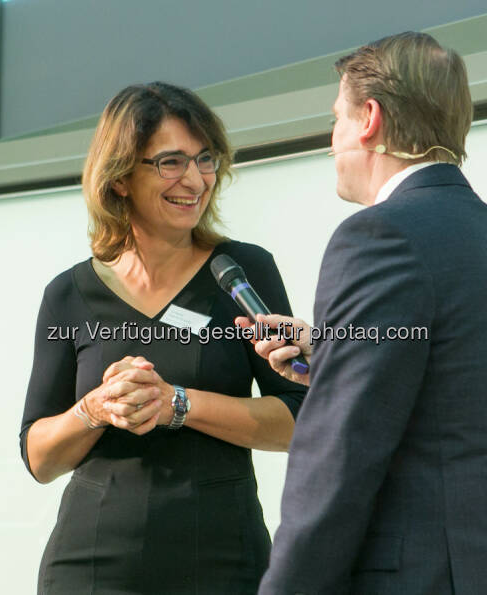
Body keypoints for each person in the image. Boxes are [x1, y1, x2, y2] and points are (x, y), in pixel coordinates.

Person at [244, 32, 487, 593]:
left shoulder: (379, 236)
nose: (331, 139)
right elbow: (450, 401)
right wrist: (335, 355)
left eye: (336, 118)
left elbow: (338, 454)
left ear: (369, 118)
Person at [19, 82, 307, 594]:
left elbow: (299, 421)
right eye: (171, 162)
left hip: (223, 563)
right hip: (91, 567)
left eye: (205, 159)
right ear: (121, 176)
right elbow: (39, 458)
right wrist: (95, 408)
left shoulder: (242, 272)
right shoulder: (68, 294)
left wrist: (178, 403)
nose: (195, 180)